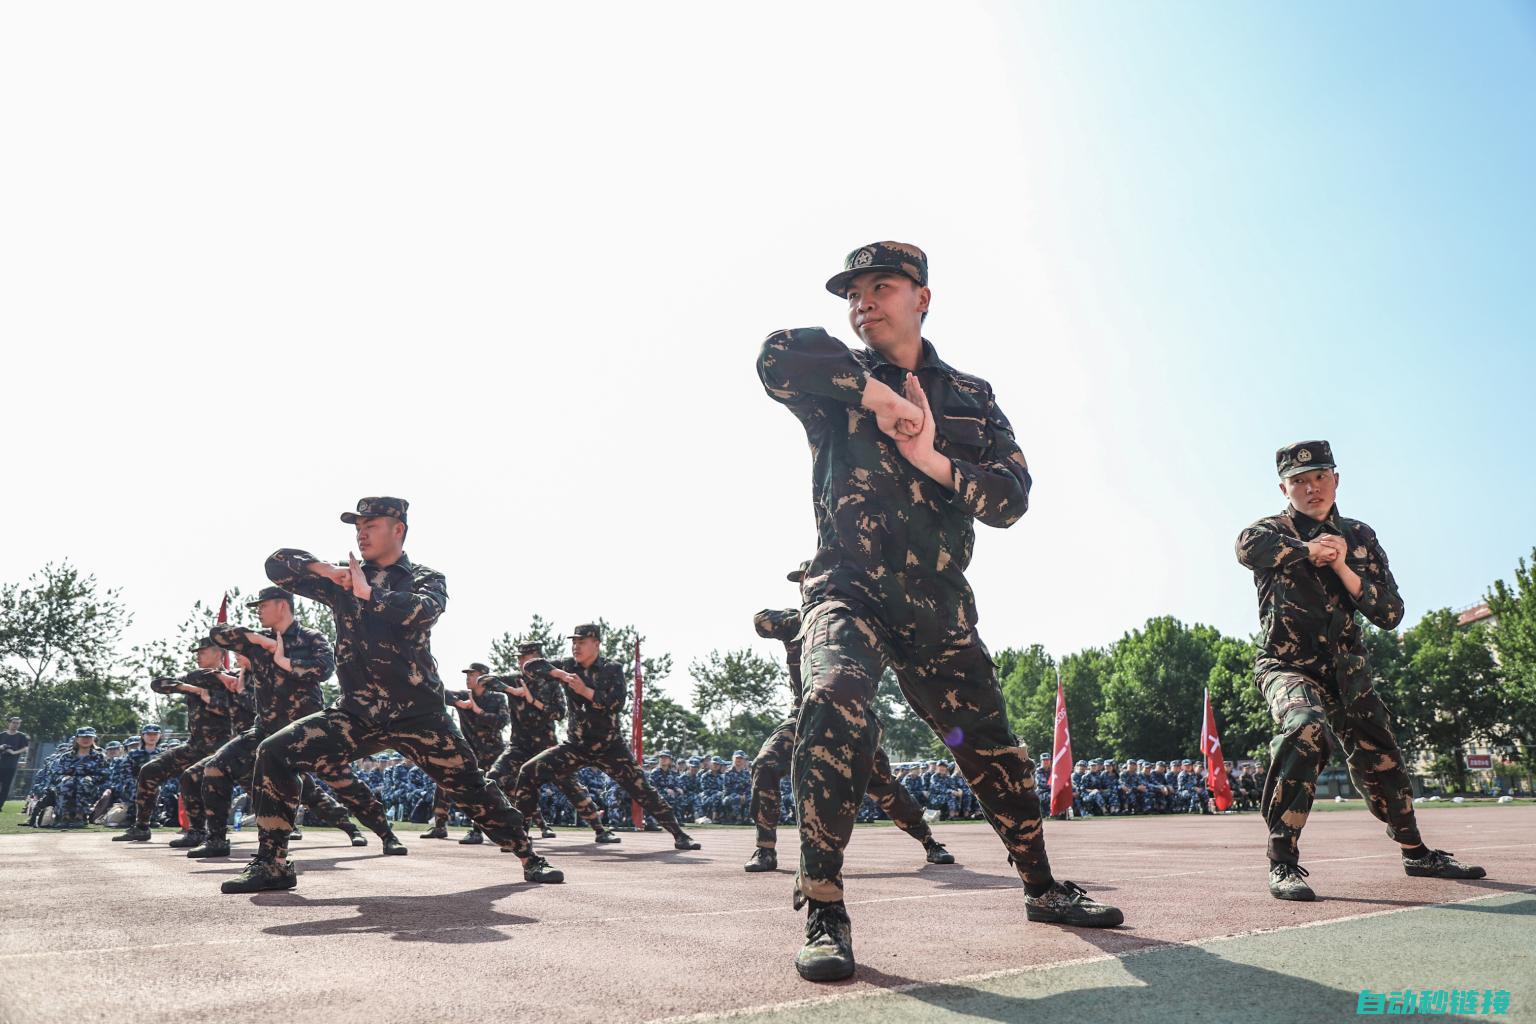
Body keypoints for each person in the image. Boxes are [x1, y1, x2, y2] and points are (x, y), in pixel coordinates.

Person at [757, 241, 1122, 981]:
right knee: (832, 698)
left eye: (881, 287)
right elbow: (774, 355)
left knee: (987, 749)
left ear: (922, 297)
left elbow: (1011, 502)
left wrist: (936, 463)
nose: (862, 302)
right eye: (852, 293)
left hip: (937, 610)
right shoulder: (837, 382)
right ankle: (824, 904)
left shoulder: (970, 396)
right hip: (847, 588)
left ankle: (1043, 887)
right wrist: (879, 399)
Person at [232, 496, 560, 894]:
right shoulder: (342, 581)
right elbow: (277, 564)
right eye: (357, 527)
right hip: (356, 713)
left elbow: (422, 610)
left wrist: (369, 593)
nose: (361, 533)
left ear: (398, 529)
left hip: (417, 714)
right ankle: (274, 862)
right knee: (274, 751)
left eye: (370, 525)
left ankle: (528, 854)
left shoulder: (425, 578)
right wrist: (326, 570)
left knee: (472, 788)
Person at [1235, 440, 1485, 900]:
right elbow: (1246, 547)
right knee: (1305, 728)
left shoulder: (1360, 536)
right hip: (1288, 666)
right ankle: (1283, 863)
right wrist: (1309, 551)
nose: (1311, 488)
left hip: (1348, 673)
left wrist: (1345, 566)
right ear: (1283, 487)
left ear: (1336, 478)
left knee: (1383, 754)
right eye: (1299, 481)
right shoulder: (1270, 531)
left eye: (1319, 477)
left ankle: (1415, 852)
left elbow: (1391, 613)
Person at [745, 573, 953, 874]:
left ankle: (929, 841)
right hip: (804, 717)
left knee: (885, 788)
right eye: (801, 583)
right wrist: (808, 614)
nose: (804, 586)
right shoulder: (797, 622)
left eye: (808, 579)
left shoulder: (856, 620)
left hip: (850, 717)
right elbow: (761, 621)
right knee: (764, 764)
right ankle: (765, 849)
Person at [510, 623, 700, 852]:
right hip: (576, 745)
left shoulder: (612, 669)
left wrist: (584, 691)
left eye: (581, 642)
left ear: (596, 644)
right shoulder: (568, 665)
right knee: (529, 771)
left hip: (609, 746)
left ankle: (679, 834)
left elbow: (616, 704)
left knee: (642, 789)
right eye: (573, 642)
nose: (575, 646)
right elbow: (531, 666)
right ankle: (520, 837)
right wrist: (560, 674)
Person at [481, 642, 609, 842]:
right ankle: (482, 828)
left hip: (546, 748)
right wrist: (512, 691)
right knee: (492, 778)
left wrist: (533, 701)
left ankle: (600, 829)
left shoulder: (551, 683)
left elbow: (559, 713)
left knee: (569, 785)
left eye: (524, 657)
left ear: (536, 658)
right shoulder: (515, 680)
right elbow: (485, 680)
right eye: (519, 657)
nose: (519, 661)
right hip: (519, 746)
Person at [114, 639, 234, 843]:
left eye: (202, 652)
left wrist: (207, 690)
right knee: (150, 771)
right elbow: (159, 684)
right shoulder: (194, 678)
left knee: (257, 787)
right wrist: (193, 688)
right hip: (195, 746)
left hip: (222, 749)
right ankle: (141, 827)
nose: (197, 656)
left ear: (219, 654)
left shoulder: (233, 678)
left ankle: (198, 831)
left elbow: (233, 707)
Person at [423, 662, 510, 844]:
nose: (468, 678)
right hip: (468, 752)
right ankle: (439, 826)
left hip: (492, 754)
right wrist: (458, 703)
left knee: (488, 791)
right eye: (467, 675)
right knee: (444, 782)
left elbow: (501, 721)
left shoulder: (498, 698)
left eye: (472, 675)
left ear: (484, 677)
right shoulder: (463, 696)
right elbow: (437, 691)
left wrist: (478, 711)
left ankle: (479, 830)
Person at [50, 727, 109, 827]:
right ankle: (65, 816)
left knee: (84, 782)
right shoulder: (66, 756)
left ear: (93, 739)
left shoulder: (99, 757)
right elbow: (56, 773)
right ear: (77, 739)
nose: (86, 740)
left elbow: (104, 774)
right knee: (66, 783)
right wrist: (63, 777)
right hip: (68, 784)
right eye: (83, 737)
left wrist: (92, 778)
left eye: (89, 737)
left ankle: (80, 816)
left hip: (91, 787)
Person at [0, 717, 30, 813]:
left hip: (10, 765)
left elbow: (25, 748)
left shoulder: (21, 736)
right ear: (9, 723)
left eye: (17, 723)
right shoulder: (2, 735)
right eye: (13, 722)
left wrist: (14, 752)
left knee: (6, 786)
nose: (15, 725)